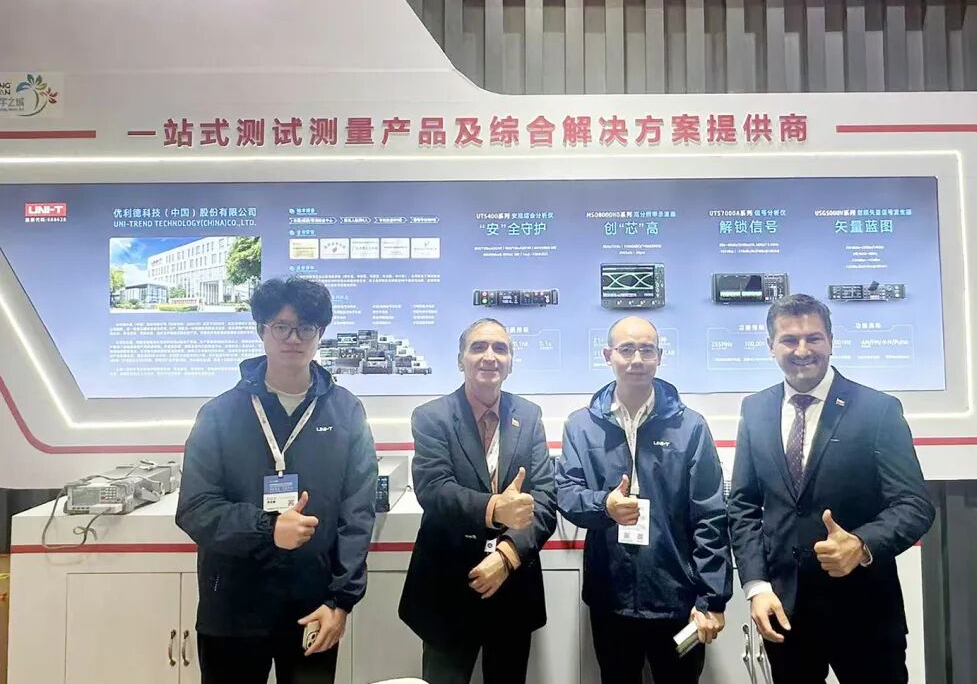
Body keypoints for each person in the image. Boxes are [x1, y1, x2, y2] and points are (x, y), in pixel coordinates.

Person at [176, 277, 377, 684]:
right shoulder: (219, 414)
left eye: (306, 328)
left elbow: (357, 513)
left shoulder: (346, 412)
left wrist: (341, 601)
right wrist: (267, 529)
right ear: (261, 330)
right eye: (281, 326)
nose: (293, 338)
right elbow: (195, 509)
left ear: (320, 334)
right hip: (233, 606)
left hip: (313, 607)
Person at [728, 293, 935, 684]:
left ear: (831, 341)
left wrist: (862, 543)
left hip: (865, 612)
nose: (802, 350)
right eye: (789, 340)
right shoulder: (755, 409)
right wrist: (756, 586)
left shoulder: (877, 410)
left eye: (814, 338)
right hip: (784, 612)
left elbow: (914, 505)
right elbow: (743, 506)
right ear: (771, 346)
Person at [556, 316, 731, 684]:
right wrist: (604, 505)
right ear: (608, 355)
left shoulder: (690, 427)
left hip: (676, 597)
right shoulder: (581, 426)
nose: (636, 359)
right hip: (610, 597)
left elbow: (710, 516)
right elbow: (567, 493)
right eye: (626, 349)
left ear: (659, 357)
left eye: (646, 350)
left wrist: (712, 598)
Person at [399, 318, 557, 684]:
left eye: (500, 348)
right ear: (461, 360)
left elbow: (545, 499)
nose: (490, 356)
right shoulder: (432, 417)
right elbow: (434, 489)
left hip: (512, 587)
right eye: (478, 347)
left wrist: (507, 556)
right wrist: (494, 509)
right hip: (448, 589)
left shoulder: (528, 416)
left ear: (510, 362)